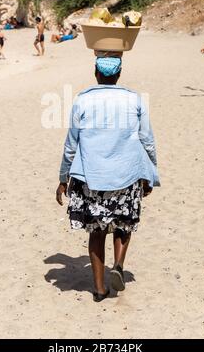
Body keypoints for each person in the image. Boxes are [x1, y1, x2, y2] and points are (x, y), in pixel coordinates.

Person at [56, 57, 160, 302]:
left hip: (92, 178)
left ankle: (100, 288)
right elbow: (148, 140)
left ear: (96, 73)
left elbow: (71, 144)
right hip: (127, 174)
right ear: (119, 74)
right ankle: (119, 265)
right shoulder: (135, 100)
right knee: (124, 224)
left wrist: (63, 178)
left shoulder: (82, 100)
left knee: (96, 231)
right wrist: (150, 172)